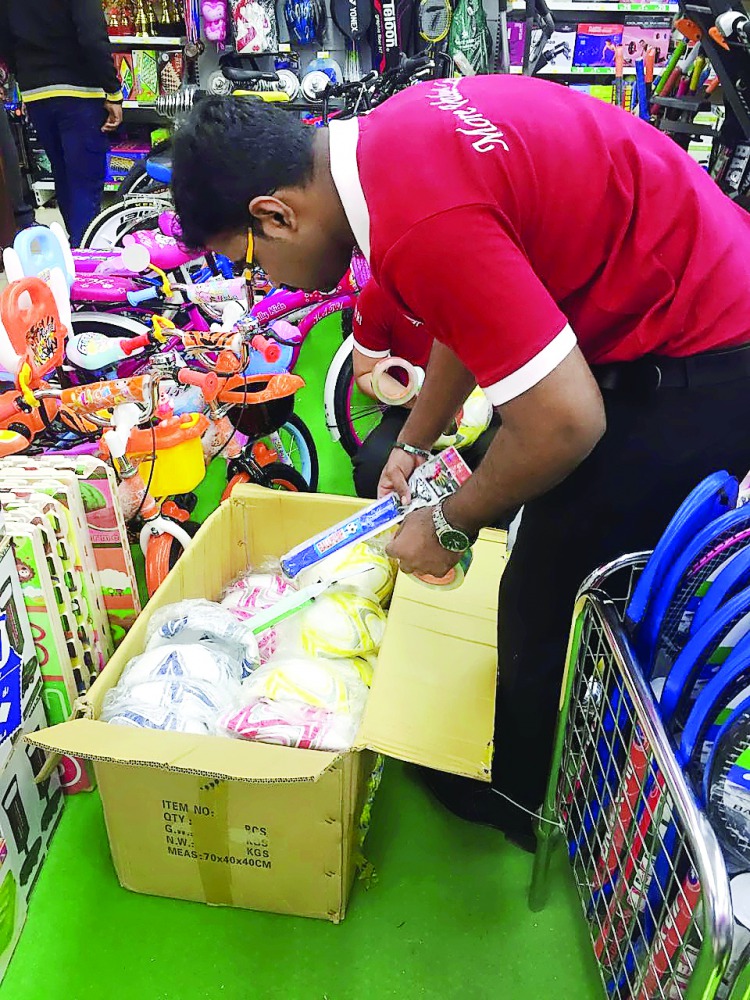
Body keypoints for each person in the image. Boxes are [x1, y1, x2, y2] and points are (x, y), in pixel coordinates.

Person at [171, 78, 750, 851]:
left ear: (275, 214)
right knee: (521, 512)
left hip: (704, 350)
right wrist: (417, 440)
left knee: (549, 580)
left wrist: (449, 521)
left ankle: (520, 800)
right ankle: (551, 745)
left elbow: (567, 422)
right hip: (683, 299)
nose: (265, 284)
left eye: (248, 263)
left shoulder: (417, 218)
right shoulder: (390, 142)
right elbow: (464, 304)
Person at [351, 278, 499, 499]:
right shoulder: (380, 292)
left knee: (501, 469)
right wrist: (415, 399)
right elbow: (365, 372)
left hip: (488, 400)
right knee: (373, 468)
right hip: (411, 403)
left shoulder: (489, 281)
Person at [0, 0, 123, 246]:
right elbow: (92, 38)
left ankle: (77, 248)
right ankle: (85, 253)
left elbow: (5, 39)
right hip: (79, 92)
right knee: (84, 183)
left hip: (36, 93)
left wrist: (26, 78)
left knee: (64, 176)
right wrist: (113, 90)